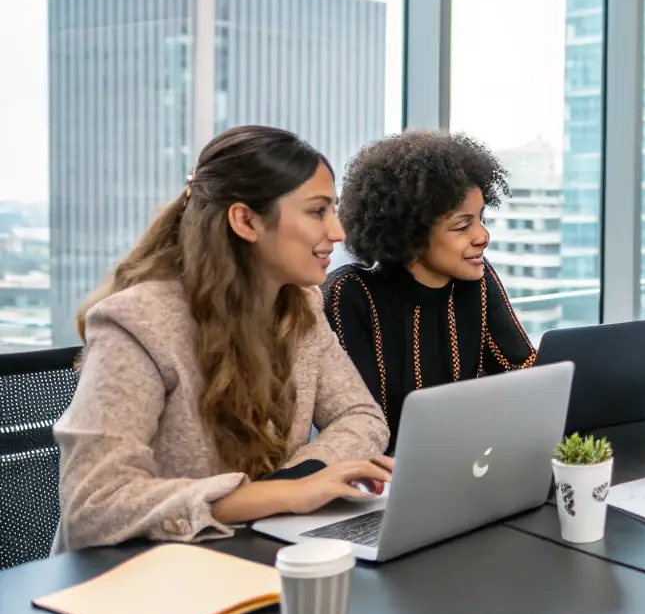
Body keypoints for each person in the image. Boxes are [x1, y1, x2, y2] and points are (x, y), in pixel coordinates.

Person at [53, 126, 392, 553]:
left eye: (334, 210)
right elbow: (95, 506)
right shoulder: (138, 322)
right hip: (138, 577)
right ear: (246, 220)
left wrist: (303, 475)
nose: (338, 232)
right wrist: (272, 496)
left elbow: (360, 416)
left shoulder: (299, 306)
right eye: (317, 211)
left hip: (247, 552)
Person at [324, 130, 535, 445]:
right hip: (386, 478)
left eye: (481, 219)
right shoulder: (351, 293)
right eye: (462, 225)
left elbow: (525, 372)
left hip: (469, 460)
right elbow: (359, 424)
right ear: (410, 234)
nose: (482, 237)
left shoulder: (476, 278)